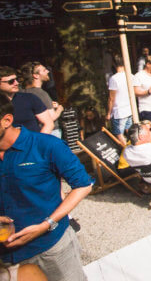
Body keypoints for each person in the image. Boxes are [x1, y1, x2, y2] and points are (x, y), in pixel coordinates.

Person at [0, 94, 93, 281]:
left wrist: (46, 224)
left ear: (7, 120)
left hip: (50, 249)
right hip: (5, 259)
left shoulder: (46, 145)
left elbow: (83, 185)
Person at [0, 67, 52, 134]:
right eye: (11, 81)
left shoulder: (30, 98)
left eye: (17, 79)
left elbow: (48, 123)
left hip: (33, 142)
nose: (16, 83)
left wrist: (39, 142)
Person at [19, 62, 64, 138]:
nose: (48, 71)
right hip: (51, 132)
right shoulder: (41, 93)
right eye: (44, 70)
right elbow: (51, 117)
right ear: (36, 75)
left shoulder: (24, 92)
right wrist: (60, 109)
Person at [105, 54, 133, 145]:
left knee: (119, 134)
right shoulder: (130, 76)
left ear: (113, 64)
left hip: (119, 111)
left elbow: (111, 98)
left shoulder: (114, 79)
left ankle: (126, 151)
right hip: (129, 108)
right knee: (130, 132)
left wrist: (109, 113)